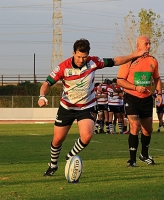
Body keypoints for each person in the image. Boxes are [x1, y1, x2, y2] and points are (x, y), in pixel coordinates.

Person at [38, 38, 147, 176]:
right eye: (78, 56)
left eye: (84, 57)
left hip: (87, 106)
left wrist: (134, 54)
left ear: (88, 55)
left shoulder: (94, 62)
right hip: (67, 107)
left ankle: (69, 157)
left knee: (87, 136)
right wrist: (42, 96)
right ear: (73, 53)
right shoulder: (63, 67)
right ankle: (53, 164)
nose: (81, 60)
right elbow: (47, 83)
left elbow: (115, 61)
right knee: (58, 139)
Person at [117, 35, 163, 167]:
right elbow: (120, 80)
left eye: (149, 43)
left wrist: (159, 94)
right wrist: (135, 87)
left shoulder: (153, 61)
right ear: (138, 46)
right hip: (131, 97)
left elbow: (157, 79)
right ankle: (132, 159)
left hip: (146, 99)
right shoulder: (129, 60)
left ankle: (144, 154)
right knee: (134, 126)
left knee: (148, 129)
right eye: (146, 43)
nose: (148, 46)